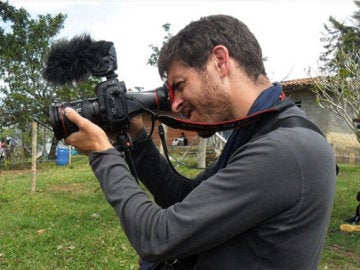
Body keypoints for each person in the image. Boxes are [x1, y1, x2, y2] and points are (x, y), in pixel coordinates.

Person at [64, 15, 337, 269]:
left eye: (180, 85)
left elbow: (157, 237)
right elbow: (183, 196)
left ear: (220, 61)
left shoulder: (285, 150)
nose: (175, 102)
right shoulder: (261, 130)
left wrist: (103, 153)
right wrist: (136, 138)